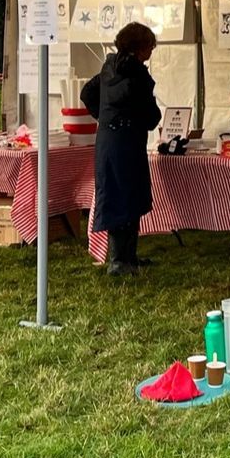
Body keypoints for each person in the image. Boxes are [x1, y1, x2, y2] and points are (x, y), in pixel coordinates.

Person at [80, 21, 161, 276]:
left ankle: (124, 258)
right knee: (130, 196)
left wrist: (103, 118)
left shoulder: (108, 66)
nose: (151, 51)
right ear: (142, 48)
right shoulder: (138, 75)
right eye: (150, 46)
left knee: (115, 194)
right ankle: (121, 260)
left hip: (107, 141)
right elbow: (150, 116)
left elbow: (87, 93)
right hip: (128, 141)